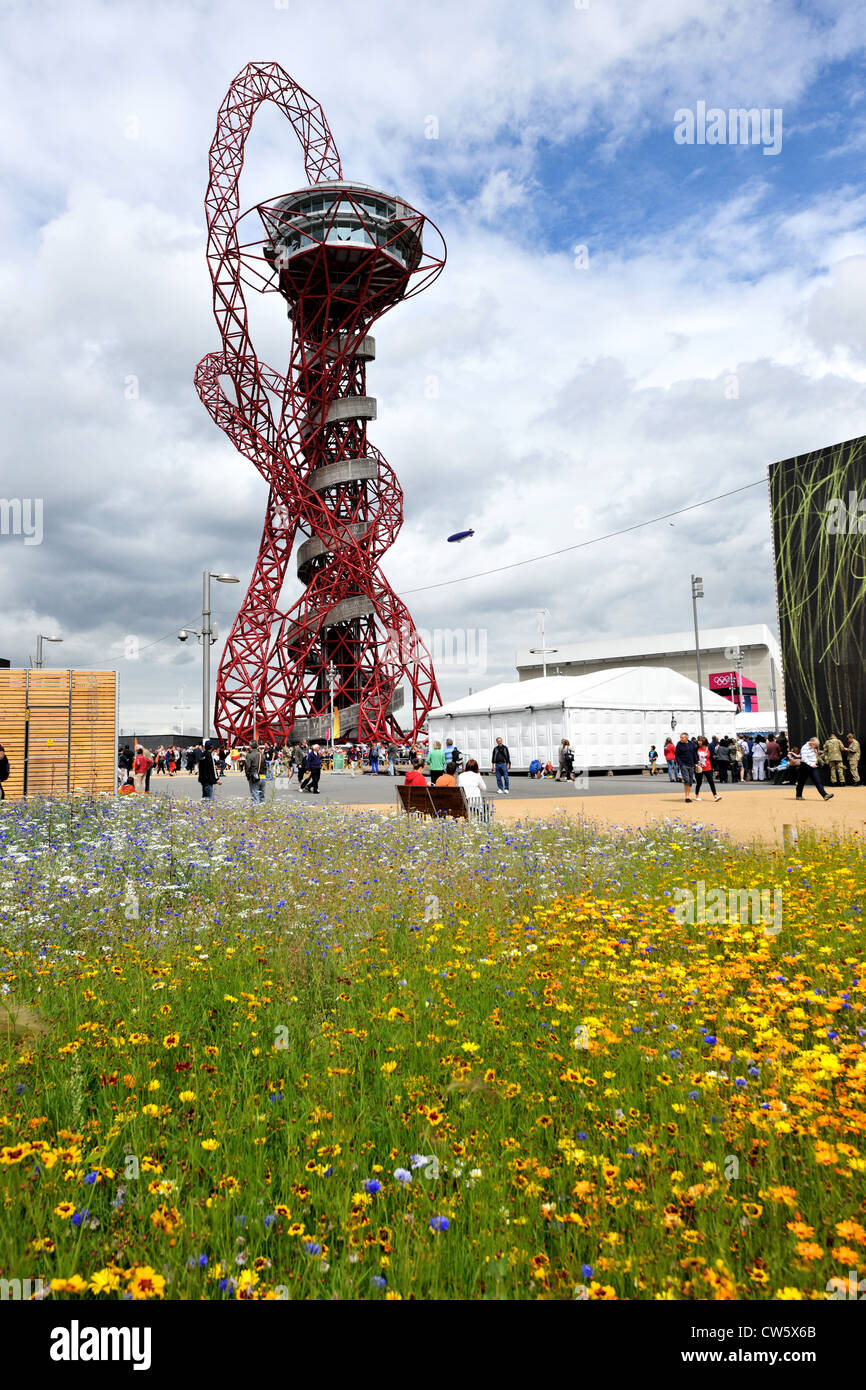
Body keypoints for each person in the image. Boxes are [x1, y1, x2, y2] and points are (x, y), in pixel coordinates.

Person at [694, 737, 722, 803]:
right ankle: (697, 796)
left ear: (704, 742)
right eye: (699, 741)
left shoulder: (709, 748)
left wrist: (716, 769)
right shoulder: (696, 748)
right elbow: (694, 757)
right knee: (699, 782)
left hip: (708, 767)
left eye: (700, 741)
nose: (699, 742)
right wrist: (695, 764)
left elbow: (713, 758)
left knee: (711, 781)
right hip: (699, 768)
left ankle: (715, 796)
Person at [674, 732, 698, 803]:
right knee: (686, 780)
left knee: (690, 781)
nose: (681, 739)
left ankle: (688, 795)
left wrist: (696, 763)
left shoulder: (691, 744)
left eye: (682, 737)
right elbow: (676, 755)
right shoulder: (679, 744)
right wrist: (680, 764)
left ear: (686, 738)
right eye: (680, 737)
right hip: (683, 764)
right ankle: (687, 796)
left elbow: (694, 754)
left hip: (691, 764)